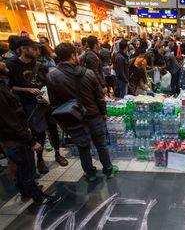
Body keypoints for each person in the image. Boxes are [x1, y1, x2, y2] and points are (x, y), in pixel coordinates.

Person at [46, 43, 118, 181]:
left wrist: (62, 122)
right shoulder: (88, 73)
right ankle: (108, 170)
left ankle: (90, 174)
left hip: (72, 118)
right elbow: (99, 97)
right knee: (101, 144)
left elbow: (54, 103)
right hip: (94, 115)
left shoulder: (52, 76)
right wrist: (104, 113)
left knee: (83, 148)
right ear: (73, 56)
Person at [0, 61, 61, 205]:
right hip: (14, 138)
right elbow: (10, 121)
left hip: (12, 137)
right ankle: (38, 196)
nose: (3, 63)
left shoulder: (4, 84)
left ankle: (25, 190)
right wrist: (31, 141)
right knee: (27, 167)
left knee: (22, 167)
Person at [6, 38, 53, 174]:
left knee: (41, 132)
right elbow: (9, 88)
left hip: (42, 103)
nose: (37, 52)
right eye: (33, 49)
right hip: (24, 106)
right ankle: (30, 164)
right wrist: (27, 90)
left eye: (37, 49)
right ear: (23, 48)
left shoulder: (39, 64)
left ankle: (40, 160)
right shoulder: (12, 65)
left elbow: (46, 81)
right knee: (28, 135)